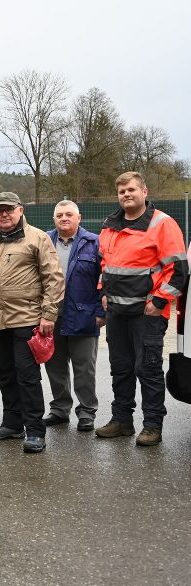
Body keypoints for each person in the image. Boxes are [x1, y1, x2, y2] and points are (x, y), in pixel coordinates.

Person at [97, 172, 188, 446]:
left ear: (144, 191)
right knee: (120, 368)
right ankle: (122, 421)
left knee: (147, 369)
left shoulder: (162, 223)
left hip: (146, 314)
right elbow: (105, 265)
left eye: (132, 189)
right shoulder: (110, 226)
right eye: (122, 190)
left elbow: (179, 272)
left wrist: (158, 302)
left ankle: (152, 426)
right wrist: (103, 292)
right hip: (116, 312)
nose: (126, 194)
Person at [0, 192, 64, 454]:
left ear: (20, 210)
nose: (4, 214)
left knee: (27, 377)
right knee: (5, 374)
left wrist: (48, 314)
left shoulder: (37, 238)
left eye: (9, 209)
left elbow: (54, 278)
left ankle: (34, 430)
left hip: (27, 319)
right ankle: (12, 424)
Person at [41, 201, 104, 432]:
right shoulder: (44, 241)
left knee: (84, 368)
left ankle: (87, 412)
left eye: (69, 214)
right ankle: (59, 409)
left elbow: (104, 279)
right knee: (54, 366)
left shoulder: (94, 243)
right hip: (50, 316)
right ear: (54, 218)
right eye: (59, 215)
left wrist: (100, 311)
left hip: (84, 316)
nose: (64, 218)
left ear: (79, 217)